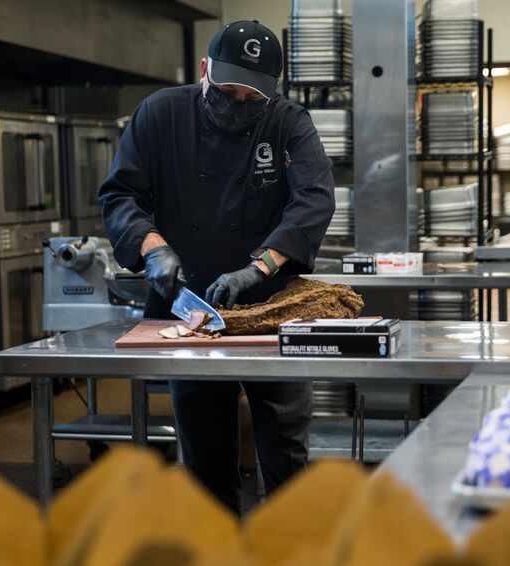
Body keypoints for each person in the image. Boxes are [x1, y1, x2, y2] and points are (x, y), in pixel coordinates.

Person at [99, 19, 335, 513]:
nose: (238, 104)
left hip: (273, 309)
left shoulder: (288, 122)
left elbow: (313, 200)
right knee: (205, 458)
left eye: (252, 97)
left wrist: (260, 267)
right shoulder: (161, 114)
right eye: (228, 90)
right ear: (205, 70)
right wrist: (152, 247)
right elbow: (122, 194)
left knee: (286, 452)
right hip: (191, 312)